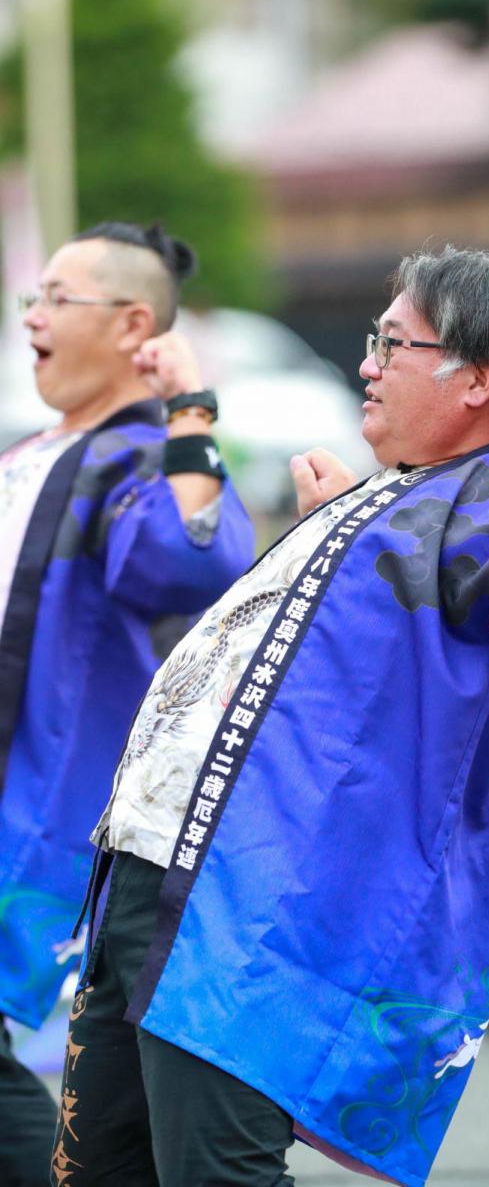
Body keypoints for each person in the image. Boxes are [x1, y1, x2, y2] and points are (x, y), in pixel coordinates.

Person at [56, 245, 489, 1187]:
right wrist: (346, 533)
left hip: (251, 907)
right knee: (103, 1170)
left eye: (393, 344)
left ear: (475, 380)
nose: (366, 363)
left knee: (212, 1172)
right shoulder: (396, 494)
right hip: (159, 868)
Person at [0, 221, 253, 1186]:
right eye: (33, 297)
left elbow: (190, 560)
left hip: (50, 804)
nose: (33, 316)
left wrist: (187, 406)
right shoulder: (33, 451)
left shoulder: (140, 453)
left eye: (56, 298)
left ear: (132, 323)